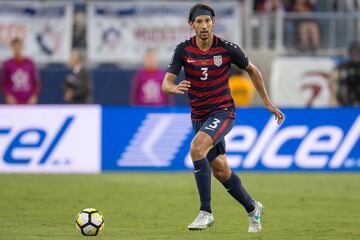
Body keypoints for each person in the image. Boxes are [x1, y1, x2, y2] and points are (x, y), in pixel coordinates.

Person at [162, 3, 284, 233]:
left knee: (197, 149)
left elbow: (253, 70)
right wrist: (174, 87)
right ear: (192, 25)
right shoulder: (183, 50)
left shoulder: (226, 49)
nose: (204, 25)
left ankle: (205, 212)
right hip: (199, 116)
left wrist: (267, 102)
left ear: (214, 23)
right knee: (220, 170)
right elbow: (166, 83)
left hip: (223, 112)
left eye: (208, 21)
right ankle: (252, 208)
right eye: (199, 21)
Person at [0, 38, 40, 104]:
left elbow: (36, 82)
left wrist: (34, 95)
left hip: (28, 101)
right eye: (15, 46)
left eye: (19, 46)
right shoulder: (7, 64)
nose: (17, 49)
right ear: (12, 47)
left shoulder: (29, 63)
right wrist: (7, 95)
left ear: (22, 47)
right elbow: (2, 83)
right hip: (12, 102)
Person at [330, 41, 360, 106]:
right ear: (349, 54)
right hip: (347, 98)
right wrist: (333, 98)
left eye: (358, 53)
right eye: (353, 53)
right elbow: (332, 81)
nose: (356, 55)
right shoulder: (343, 66)